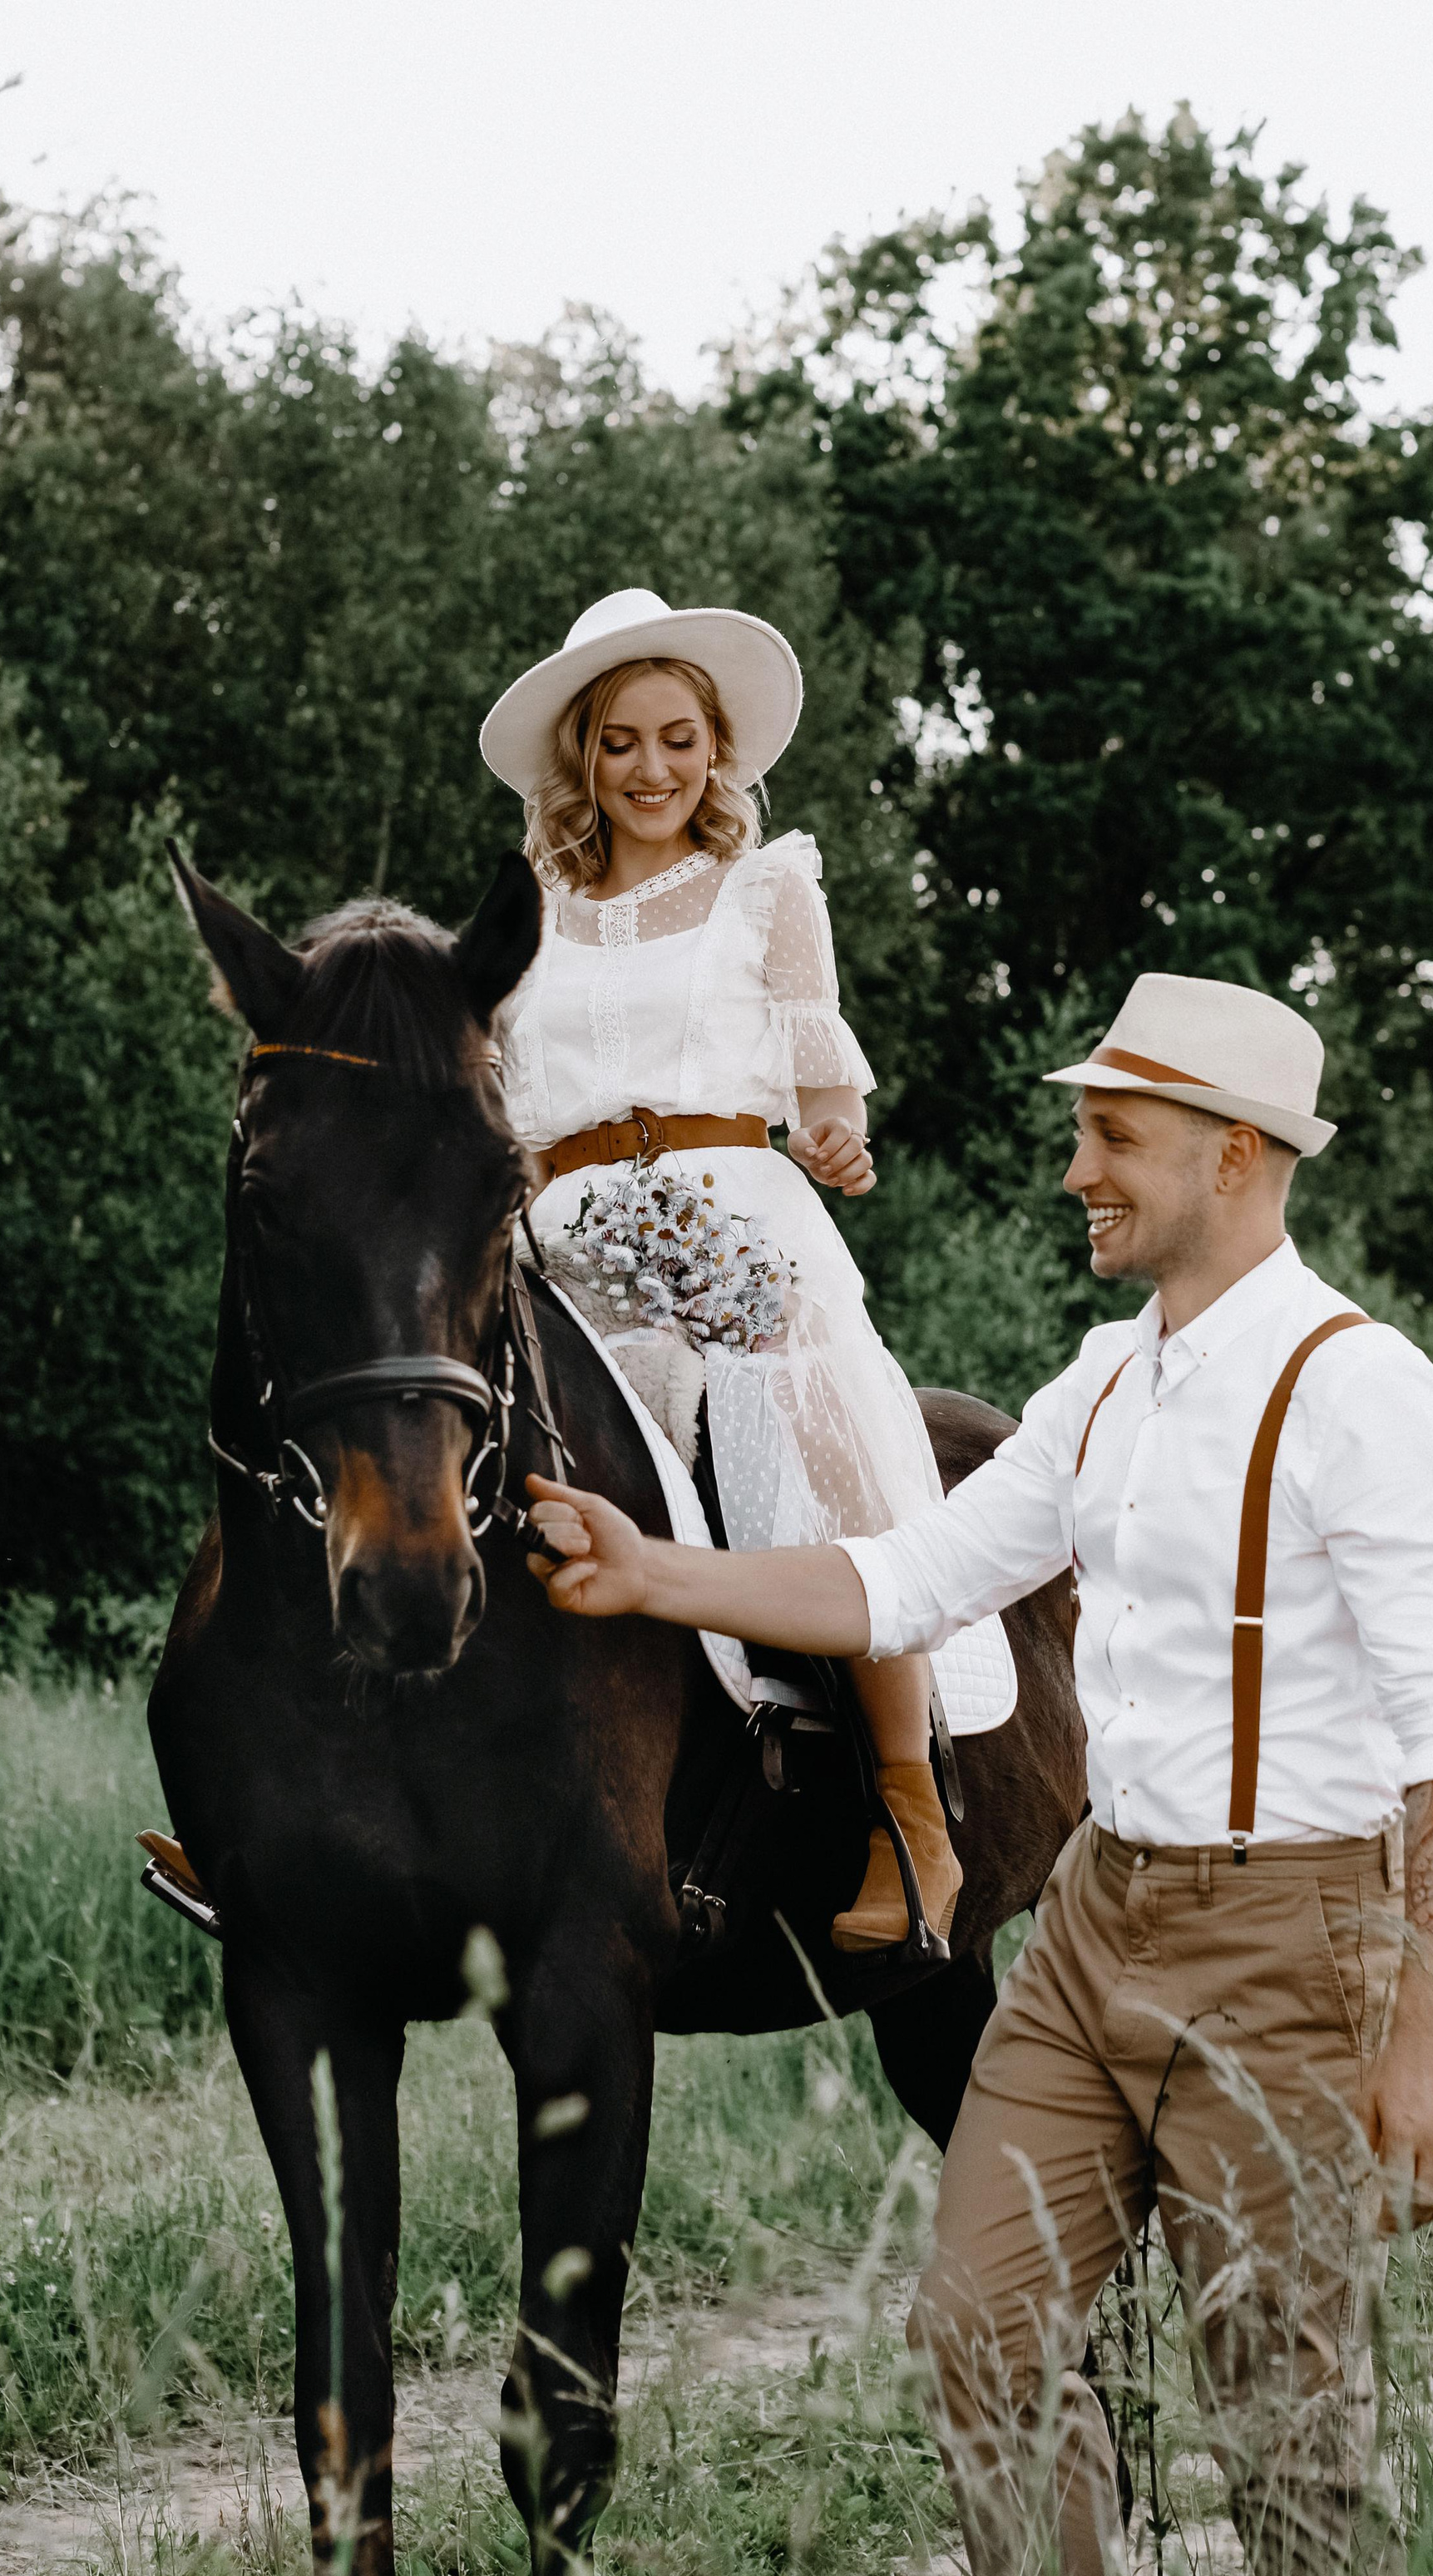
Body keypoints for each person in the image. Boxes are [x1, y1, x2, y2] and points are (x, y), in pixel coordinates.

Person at [522, 971, 1433, 2576]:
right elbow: (906, 1572)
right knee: (978, 2332)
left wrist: (1432, 2029)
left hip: (1285, 1940)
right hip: (1089, 1931)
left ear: (1233, 1155)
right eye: (1080, 1130)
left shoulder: (1364, 1395)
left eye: (1111, 1134)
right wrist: (651, 1572)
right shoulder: (1099, 1386)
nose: (1075, 1168)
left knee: (1279, 2421)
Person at [479, 585, 963, 1955]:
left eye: (678, 738)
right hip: (562, 1223)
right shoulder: (529, 909)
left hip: (727, 1209)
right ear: (583, 755)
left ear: (717, 746)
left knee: (781, 1417)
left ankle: (909, 1809)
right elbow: (498, 1102)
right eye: (621, 742)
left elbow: (827, 1092)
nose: (650, 768)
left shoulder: (769, 887)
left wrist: (839, 1142)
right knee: (422, 1416)